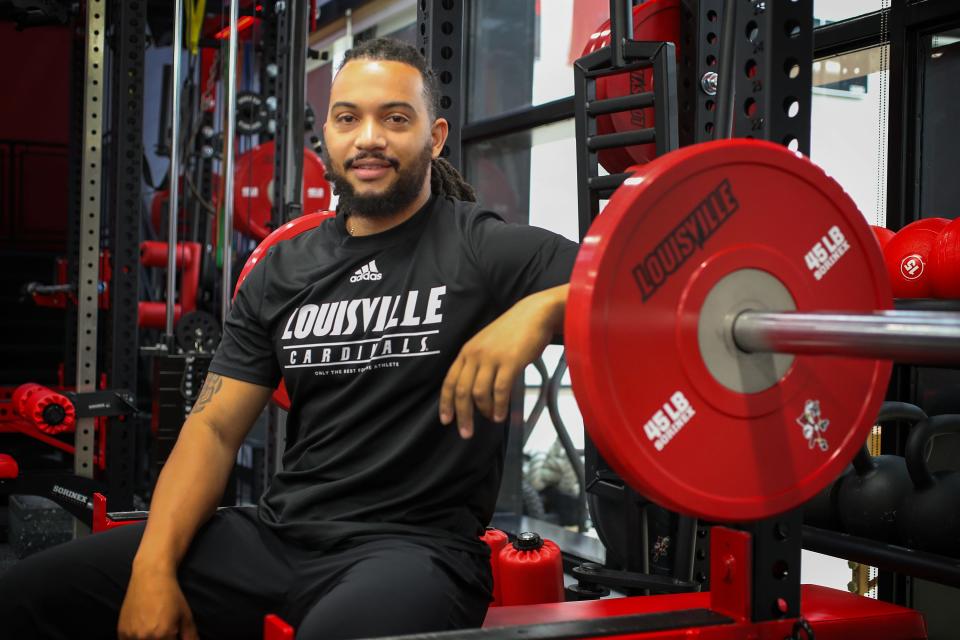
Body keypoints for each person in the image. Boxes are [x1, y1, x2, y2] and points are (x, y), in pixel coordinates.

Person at [0, 37, 579, 640]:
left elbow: (639, 283)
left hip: (414, 553)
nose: (369, 137)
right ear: (327, 136)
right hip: (277, 537)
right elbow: (215, 428)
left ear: (433, 138)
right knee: (26, 597)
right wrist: (153, 567)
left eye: (395, 118)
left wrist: (537, 312)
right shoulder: (283, 269)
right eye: (349, 118)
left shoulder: (482, 247)